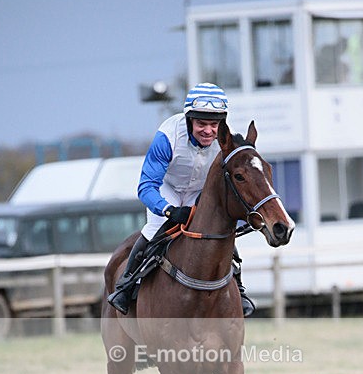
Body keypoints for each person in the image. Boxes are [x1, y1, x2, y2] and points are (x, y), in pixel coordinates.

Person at [107, 82, 255, 316]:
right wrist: (168, 210)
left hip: (200, 193)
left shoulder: (227, 141)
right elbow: (146, 186)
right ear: (189, 120)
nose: (208, 131)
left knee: (221, 235)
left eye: (214, 124)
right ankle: (125, 286)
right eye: (201, 124)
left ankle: (239, 288)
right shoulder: (168, 136)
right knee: (153, 232)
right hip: (167, 189)